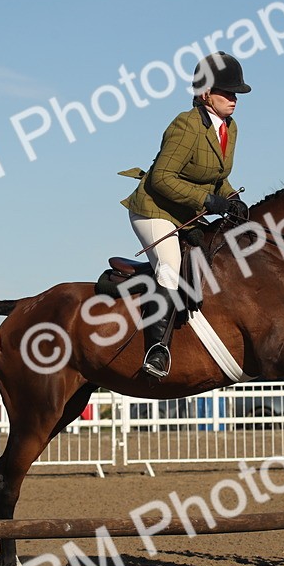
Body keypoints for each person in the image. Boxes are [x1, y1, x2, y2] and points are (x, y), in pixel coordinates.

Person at [120, 51, 251, 379]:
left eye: (236, 93)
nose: (234, 99)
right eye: (227, 92)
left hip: (185, 213)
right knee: (169, 272)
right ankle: (157, 351)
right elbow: (161, 178)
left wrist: (231, 199)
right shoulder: (185, 125)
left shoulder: (229, 128)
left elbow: (218, 178)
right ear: (206, 93)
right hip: (154, 211)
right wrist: (207, 200)